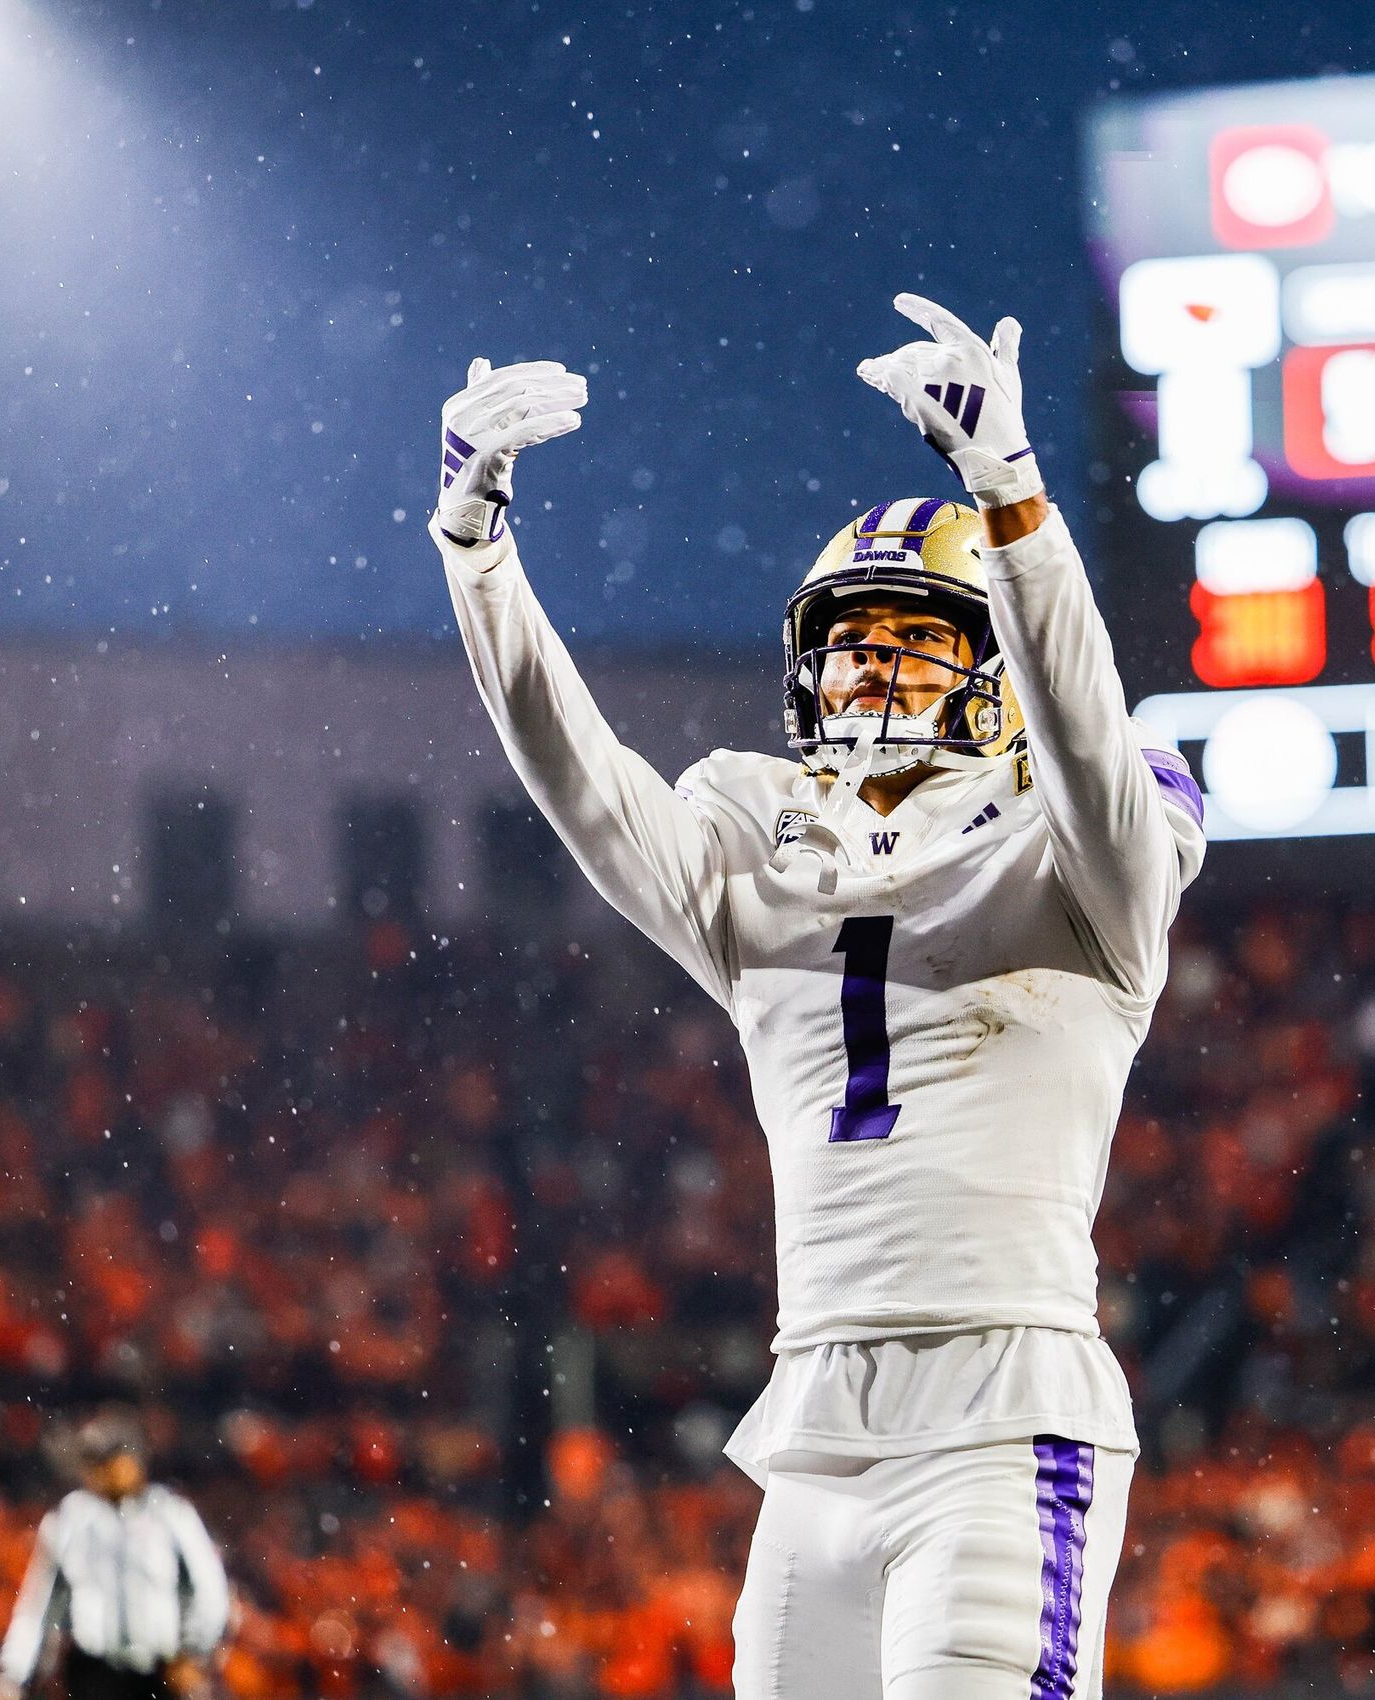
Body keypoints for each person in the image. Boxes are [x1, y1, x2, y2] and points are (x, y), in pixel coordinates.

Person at [431, 293, 1205, 1700]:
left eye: (913, 637)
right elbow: (585, 787)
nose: (864, 667)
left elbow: (1093, 751)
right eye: (847, 641)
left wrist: (1014, 499)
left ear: (999, 670)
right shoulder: (762, 849)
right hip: (817, 1421)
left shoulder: (1080, 858)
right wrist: (476, 553)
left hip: (1003, 1415)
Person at [0, 1412, 228, 1700]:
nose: (102, 1472)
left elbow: (209, 1590)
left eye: (109, 1461)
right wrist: (15, 1674)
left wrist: (195, 1651)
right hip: (94, 1671)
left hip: (160, 1668)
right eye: (94, 1463)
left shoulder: (171, 1515)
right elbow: (38, 1606)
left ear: (134, 1460)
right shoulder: (70, 1519)